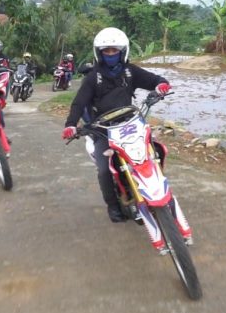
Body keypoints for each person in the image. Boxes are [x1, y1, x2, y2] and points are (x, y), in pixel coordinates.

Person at [61, 27, 171, 223]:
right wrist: (70, 124)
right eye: (106, 51)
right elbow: (79, 103)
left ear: (122, 52)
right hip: (103, 130)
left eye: (114, 50)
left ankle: (157, 188)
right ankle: (112, 205)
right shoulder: (93, 77)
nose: (111, 54)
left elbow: (155, 80)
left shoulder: (130, 72)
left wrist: (161, 85)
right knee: (104, 169)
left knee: (155, 152)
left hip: (130, 124)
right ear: (99, 53)